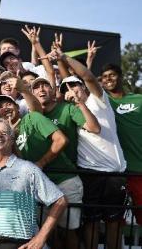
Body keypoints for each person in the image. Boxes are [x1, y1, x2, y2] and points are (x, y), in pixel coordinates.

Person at [48, 51, 127, 249]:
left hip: (114, 172)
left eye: (75, 85)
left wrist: (63, 58)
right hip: (88, 172)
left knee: (113, 223)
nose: (72, 89)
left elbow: (88, 76)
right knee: (90, 222)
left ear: (83, 87)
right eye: (67, 87)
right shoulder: (69, 110)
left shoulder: (99, 99)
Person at [31, 76, 100, 248]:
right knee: (48, 232)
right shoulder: (31, 116)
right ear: (31, 94)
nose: (41, 90)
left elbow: (94, 128)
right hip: (42, 182)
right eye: (36, 87)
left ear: (53, 91)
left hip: (66, 179)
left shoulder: (68, 109)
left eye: (45, 85)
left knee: (70, 231)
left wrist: (79, 104)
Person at [0, 118, 67, 249]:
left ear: (12, 139)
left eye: (4, 132)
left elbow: (60, 200)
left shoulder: (28, 169)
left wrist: (41, 238)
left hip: (19, 244)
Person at [101, 63, 142, 226]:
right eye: (104, 76)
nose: (108, 79)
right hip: (116, 170)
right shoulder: (102, 101)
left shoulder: (139, 99)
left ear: (121, 77)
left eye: (112, 74)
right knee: (115, 222)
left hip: (139, 168)